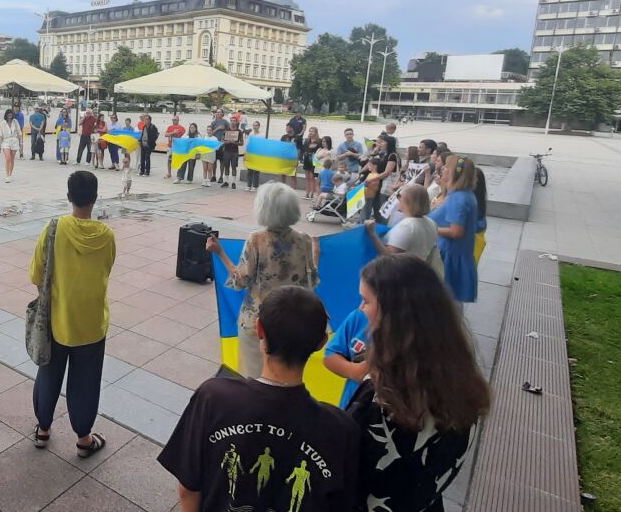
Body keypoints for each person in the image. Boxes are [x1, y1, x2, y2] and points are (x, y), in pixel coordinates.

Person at [158, 285, 359, 512]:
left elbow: (188, 488)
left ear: (259, 329)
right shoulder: (340, 429)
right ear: (322, 342)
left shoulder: (213, 397)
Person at [348, 255, 491, 511]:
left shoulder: (382, 397)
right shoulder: (462, 380)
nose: (361, 309)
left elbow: (343, 468)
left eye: (366, 301)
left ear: (393, 314)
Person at [30, 170, 116, 458]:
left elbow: (36, 273)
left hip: (57, 320)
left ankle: (43, 431)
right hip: (92, 322)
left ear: (69, 197)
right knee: (86, 382)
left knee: (48, 374)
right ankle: (83, 439)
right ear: (95, 198)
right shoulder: (106, 236)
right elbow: (106, 270)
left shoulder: (54, 228)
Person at [206, 182, 319, 378]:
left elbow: (241, 280)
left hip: (259, 323)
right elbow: (311, 280)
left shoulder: (256, 240)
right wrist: (315, 254)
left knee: (253, 377)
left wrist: (220, 252)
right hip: (292, 323)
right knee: (284, 378)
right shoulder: (304, 240)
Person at [427, 154, 479, 303]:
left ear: (454, 173)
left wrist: (429, 228)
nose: (443, 169)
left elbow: (456, 232)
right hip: (451, 253)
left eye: (446, 168)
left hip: (450, 256)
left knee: (447, 302)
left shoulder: (458, 199)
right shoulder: (461, 194)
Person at [363, 184, 443, 278]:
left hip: (400, 275)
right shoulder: (431, 223)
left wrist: (372, 233)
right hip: (417, 273)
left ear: (408, 200)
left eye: (399, 195)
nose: (397, 198)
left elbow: (389, 257)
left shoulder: (407, 226)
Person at [366, 134, 400, 223]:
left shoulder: (392, 156)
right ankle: (377, 224)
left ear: (389, 143)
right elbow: (371, 162)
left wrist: (372, 179)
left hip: (385, 184)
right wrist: (374, 152)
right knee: (377, 206)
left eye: (383, 142)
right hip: (379, 182)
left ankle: (382, 226)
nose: (380, 144)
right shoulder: (383, 154)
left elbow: (387, 172)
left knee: (383, 207)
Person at [0, 108, 23, 183]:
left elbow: (19, 132)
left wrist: (21, 143)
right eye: (9, 114)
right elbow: (1, 135)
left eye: (11, 114)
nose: (10, 115)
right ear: (6, 115)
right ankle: (7, 175)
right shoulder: (3, 123)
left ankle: (10, 174)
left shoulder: (15, 121)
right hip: (6, 141)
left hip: (14, 141)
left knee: (12, 159)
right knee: (8, 158)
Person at [220, 117, 243, 189]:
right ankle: (226, 181)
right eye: (231, 121)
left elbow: (242, 143)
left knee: (234, 167)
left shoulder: (239, 131)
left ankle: (233, 182)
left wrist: (235, 143)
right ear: (230, 122)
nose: (232, 122)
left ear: (236, 122)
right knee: (226, 166)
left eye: (234, 121)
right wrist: (226, 142)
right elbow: (222, 140)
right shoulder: (226, 130)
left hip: (234, 152)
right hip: (226, 151)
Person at [301, 126, 323, 199]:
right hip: (307, 159)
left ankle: (312, 194)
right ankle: (307, 193)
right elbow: (304, 149)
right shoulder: (307, 140)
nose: (310, 132)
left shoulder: (319, 141)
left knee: (312, 178)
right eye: (310, 131)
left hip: (314, 160)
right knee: (307, 178)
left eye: (312, 131)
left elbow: (320, 150)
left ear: (316, 132)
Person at [209, 110, 231, 183]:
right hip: (214, 144)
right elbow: (210, 133)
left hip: (222, 145)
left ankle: (221, 177)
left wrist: (225, 141)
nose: (218, 113)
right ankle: (214, 176)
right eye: (217, 112)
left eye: (219, 112)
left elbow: (229, 132)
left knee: (222, 162)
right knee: (214, 161)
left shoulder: (226, 122)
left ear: (222, 114)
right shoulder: (213, 123)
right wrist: (218, 128)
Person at [243, 121, 263, 192]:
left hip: (257, 155)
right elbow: (247, 144)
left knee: (256, 171)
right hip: (250, 154)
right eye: (254, 125)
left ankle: (255, 186)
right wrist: (245, 154)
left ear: (259, 126)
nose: (255, 127)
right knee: (249, 170)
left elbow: (262, 145)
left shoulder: (261, 135)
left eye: (256, 125)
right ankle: (248, 185)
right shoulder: (251, 134)